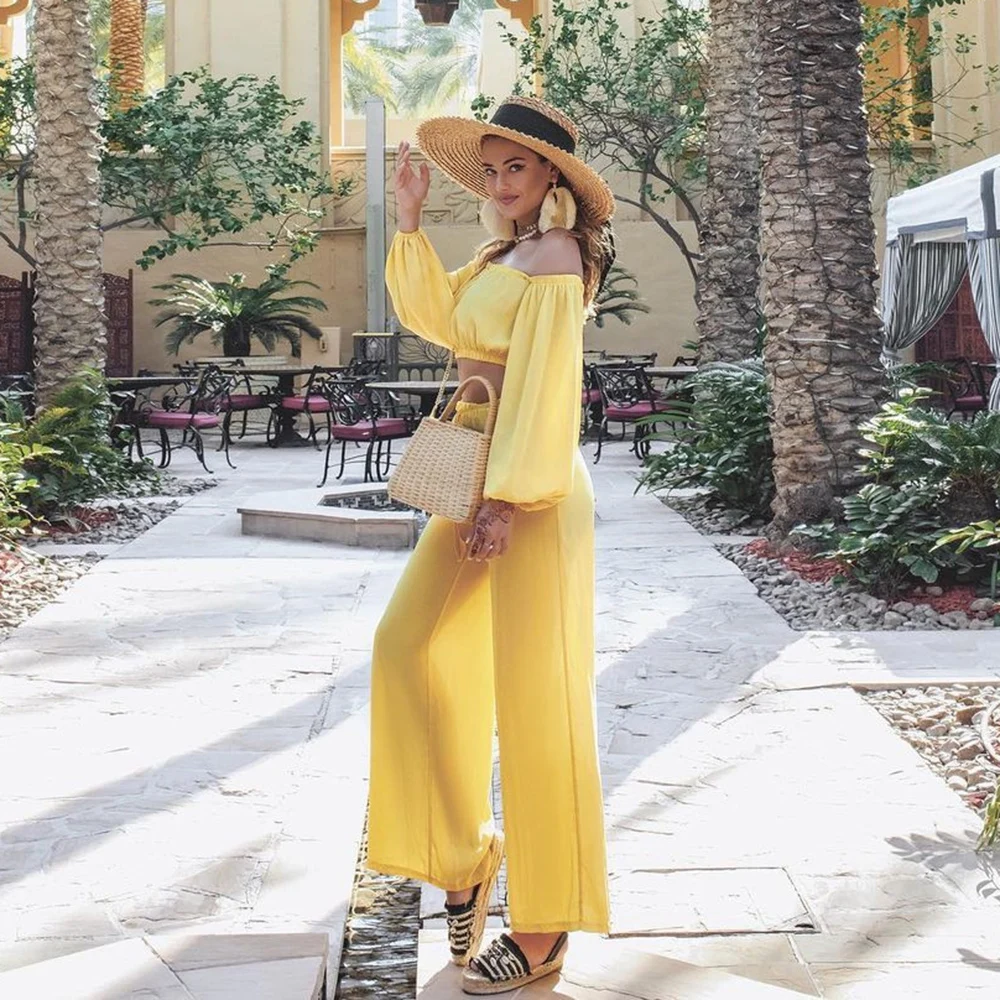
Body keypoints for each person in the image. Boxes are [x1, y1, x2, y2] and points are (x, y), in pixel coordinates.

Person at [367, 95, 616, 995]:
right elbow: (439, 322)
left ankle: (545, 925)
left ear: (553, 176)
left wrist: (508, 501)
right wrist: (407, 220)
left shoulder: (557, 257)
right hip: (473, 469)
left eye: (519, 166)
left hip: (531, 487)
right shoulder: (500, 255)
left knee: (540, 699)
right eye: (494, 168)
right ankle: (465, 857)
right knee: (406, 645)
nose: (504, 181)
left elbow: (547, 387)